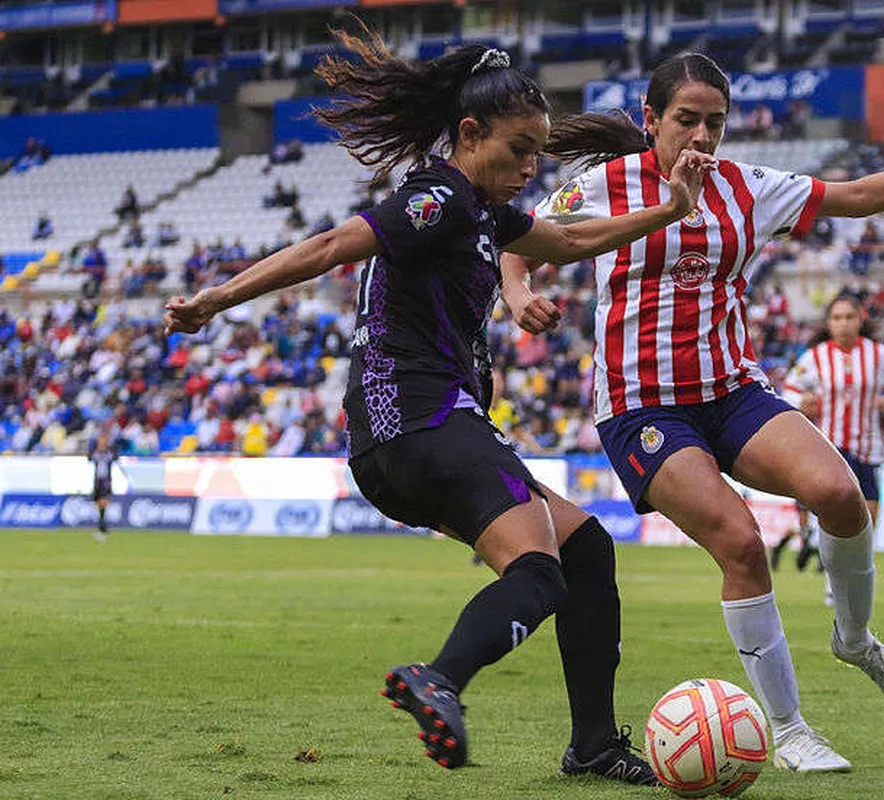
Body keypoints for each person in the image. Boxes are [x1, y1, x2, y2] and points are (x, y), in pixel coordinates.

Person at [162, 31, 715, 781]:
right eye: (519, 151)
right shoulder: (441, 196)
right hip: (418, 422)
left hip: (414, 435)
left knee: (585, 550)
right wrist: (219, 299)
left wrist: (671, 209)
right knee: (540, 571)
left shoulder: (484, 211)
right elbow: (333, 246)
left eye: (537, 154)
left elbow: (572, 240)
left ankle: (591, 745)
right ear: (469, 134)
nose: (529, 169)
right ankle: (440, 680)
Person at [502, 52, 884, 773]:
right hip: (641, 404)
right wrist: (515, 293)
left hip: (736, 392)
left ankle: (855, 641)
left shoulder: (749, 189)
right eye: (686, 120)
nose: (701, 136)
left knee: (842, 495)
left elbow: (858, 194)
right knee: (742, 543)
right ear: (652, 119)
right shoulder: (603, 185)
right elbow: (518, 239)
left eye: (714, 122)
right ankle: (789, 732)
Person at [775, 294, 884, 601]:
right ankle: (833, 583)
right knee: (839, 518)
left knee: (869, 518)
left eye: (849, 317)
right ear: (829, 323)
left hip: (869, 448)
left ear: (860, 320)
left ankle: (858, 580)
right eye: (837, 318)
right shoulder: (815, 357)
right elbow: (788, 390)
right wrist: (803, 402)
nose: (843, 324)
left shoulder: (878, 355)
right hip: (831, 448)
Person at [88, 429, 118, 543]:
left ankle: (102, 527)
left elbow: (115, 456)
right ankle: (102, 526)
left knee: (103, 502)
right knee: (98, 504)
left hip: (105, 482)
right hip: (97, 482)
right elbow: (89, 457)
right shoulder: (95, 454)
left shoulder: (109, 454)